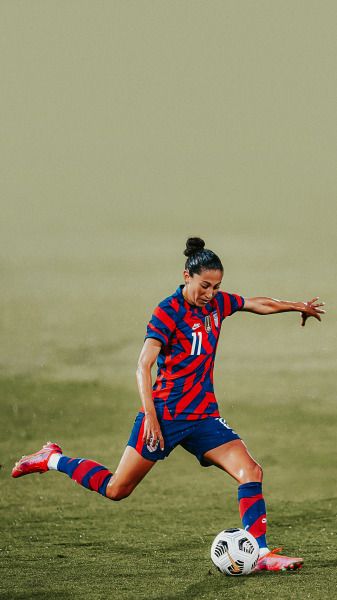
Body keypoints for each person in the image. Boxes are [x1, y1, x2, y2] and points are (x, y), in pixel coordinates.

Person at [12, 237, 325, 572]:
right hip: (165, 415)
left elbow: (254, 303)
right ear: (187, 276)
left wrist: (296, 306)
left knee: (251, 471)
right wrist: (150, 417)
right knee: (117, 489)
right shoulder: (168, 311)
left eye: (217, 287)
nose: (210, 293)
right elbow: (143, 365)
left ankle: (260, 553)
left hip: (204, 417)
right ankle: (52, 458)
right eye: (205, 285)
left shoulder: (216, 305)